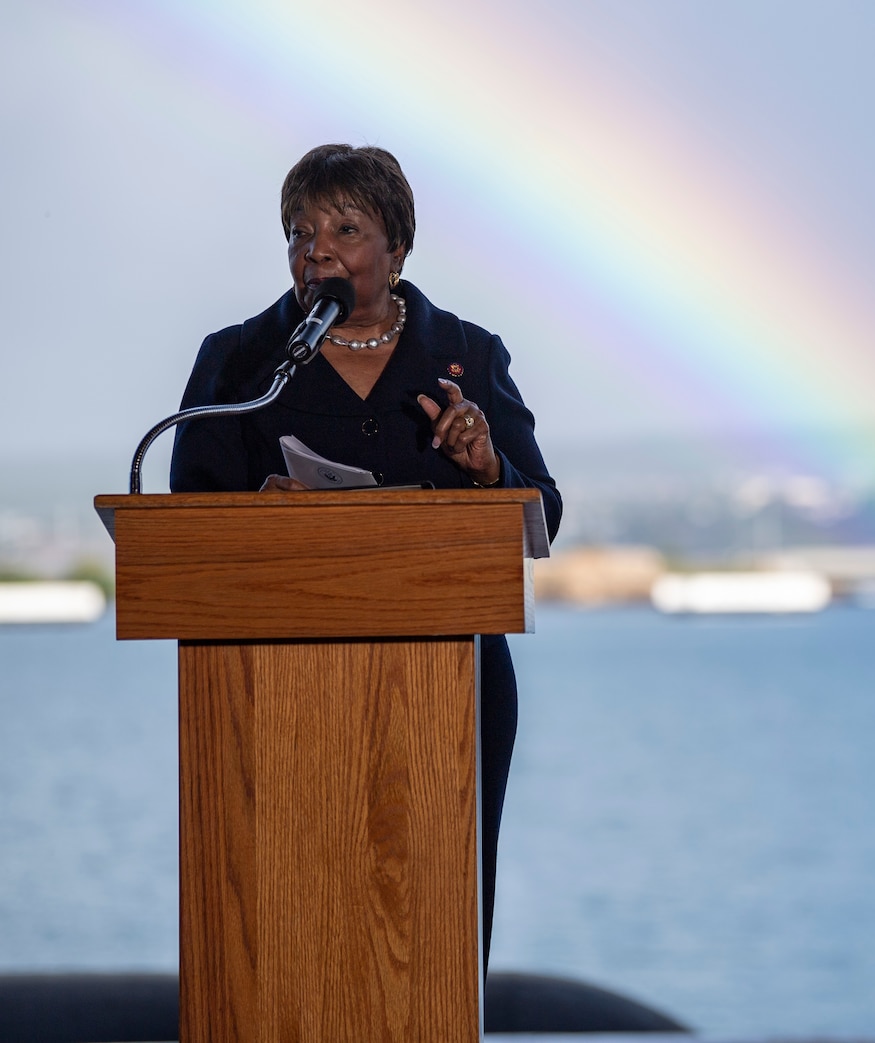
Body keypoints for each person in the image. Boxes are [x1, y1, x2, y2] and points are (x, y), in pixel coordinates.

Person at [170, 143, 562, 974]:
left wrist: (488, 466)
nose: (317, 250)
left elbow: (542, 512)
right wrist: (255, 523)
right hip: (275, 690)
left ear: (397, 248)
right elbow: (188, 534)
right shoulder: (240, 363)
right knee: (285, 929)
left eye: (345, 228)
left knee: (434, 939)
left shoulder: (467, 354)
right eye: (300, 231)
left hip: (449, 684)